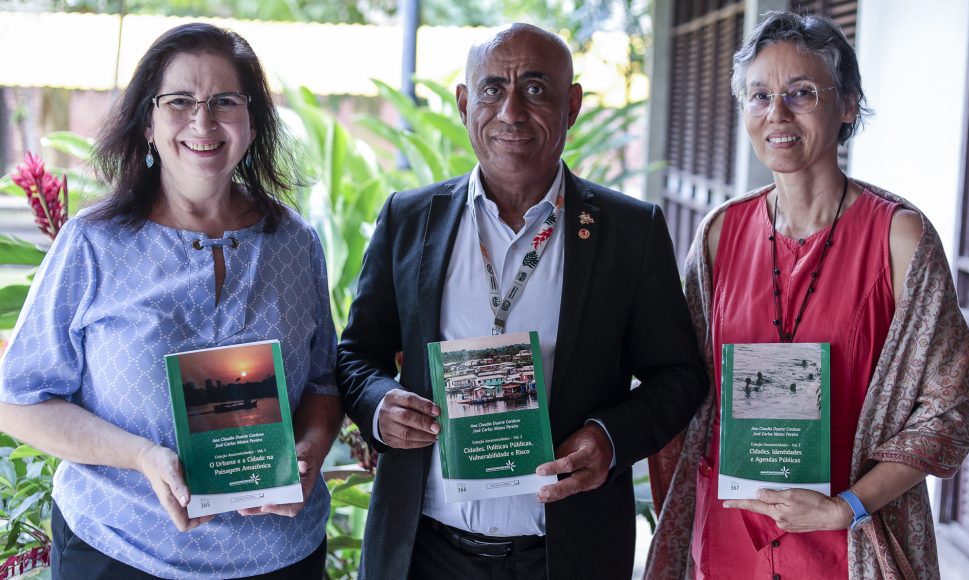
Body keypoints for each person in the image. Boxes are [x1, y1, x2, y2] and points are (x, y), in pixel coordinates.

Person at [336, 23, 708, 580]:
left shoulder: (630, 231)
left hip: (567, 554)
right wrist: (378, 405)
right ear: (464, 104)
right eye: (492, 89)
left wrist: (609, 439)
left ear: (571, 105)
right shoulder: (410, 219)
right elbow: (356, 355)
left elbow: (678, 375)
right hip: (423, 552)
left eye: (535, 89)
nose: (511, 112)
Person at [645, 11, 969, 579]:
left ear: (848, 104)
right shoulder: (720, 234)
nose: (777, 114)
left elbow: (952, 407)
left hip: (847, 543)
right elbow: (684, 384)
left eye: (801, 93)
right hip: (731, 538)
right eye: (759, 96)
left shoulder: (898, 238)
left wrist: (846, 507)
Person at [0, 23, 339, 578]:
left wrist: (311, 450)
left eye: (225, 101)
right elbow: (17, 400)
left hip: (280, 555)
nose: (202, 122)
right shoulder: (93, 243)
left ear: (253, 122)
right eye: (179, 101)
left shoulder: (295, 243)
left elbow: (323, 383)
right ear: (148, 123)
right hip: (120, 548)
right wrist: (141, 456)